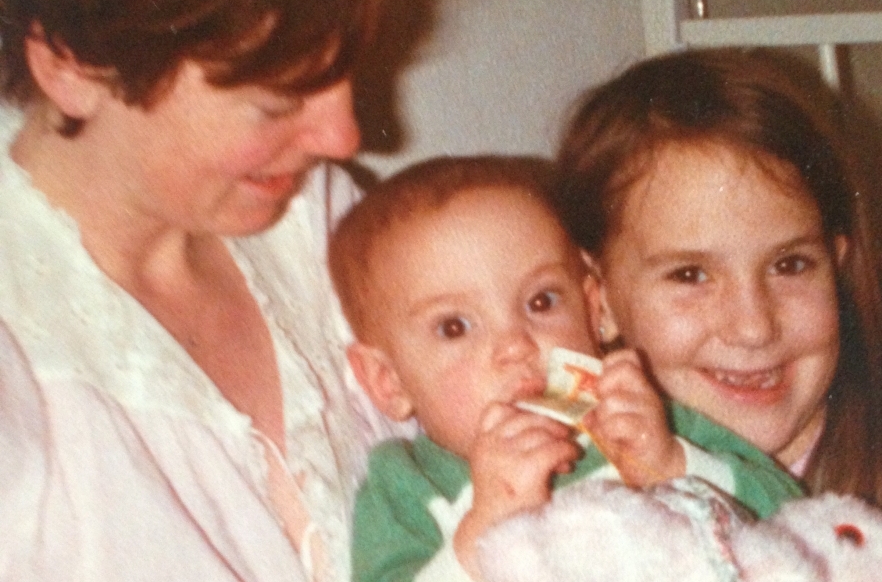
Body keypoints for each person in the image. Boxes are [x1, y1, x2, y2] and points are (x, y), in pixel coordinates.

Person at [0, 0, 420, 580]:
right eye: (276, 101)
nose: (344, 137)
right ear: (74, 68)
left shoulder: (326, 223)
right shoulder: (22, 352)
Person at [327, 155, 803, 582]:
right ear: (387, 381)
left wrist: (673, 464)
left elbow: (802, 528)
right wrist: (481, 532)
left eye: (541, 301)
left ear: (594, 311)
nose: (516, 345)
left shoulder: (655, 424)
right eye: (454, 327)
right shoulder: (406, 485)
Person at [555, 47, 882, 522]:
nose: (753, 327)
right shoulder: (568, 481)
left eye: (790, 265)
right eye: (690, 275)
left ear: (836, 268)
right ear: (600, 300)